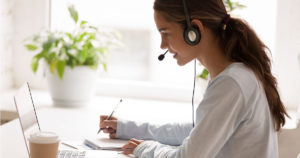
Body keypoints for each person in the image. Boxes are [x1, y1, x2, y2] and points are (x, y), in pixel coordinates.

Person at [99, 0, 289, 157]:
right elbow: (196, 130)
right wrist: (128, 128)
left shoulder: (232, 83)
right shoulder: (234, 75)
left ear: (194, 30)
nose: (162, 45)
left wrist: (145, 148)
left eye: (165, 33)